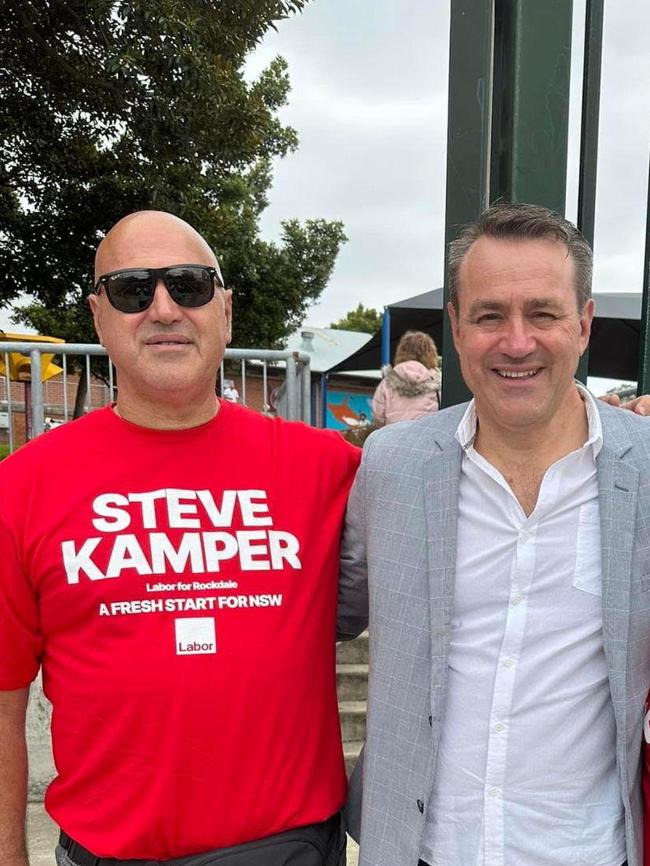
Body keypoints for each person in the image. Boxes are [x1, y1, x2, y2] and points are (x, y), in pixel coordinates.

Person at [0, 211, 360, 866]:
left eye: (189, 285)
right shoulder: (22, 488)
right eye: (133, 290)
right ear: (98, 314)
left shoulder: (329, 468)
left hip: (290, 850)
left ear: (224, 308)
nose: (164, 308)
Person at [338, 202, 650, 866]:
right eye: (488, 316)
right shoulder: (389, 467)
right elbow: (329, 614)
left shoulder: (647, 470)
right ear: (454, 327)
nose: (516, 341)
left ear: (584, 324)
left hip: (592, 850)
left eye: (543, 313)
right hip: (418, 848)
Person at [371, 330, 441, 425]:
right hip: (426, 436)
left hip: (393, 436)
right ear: (431, 352)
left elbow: (378, 417)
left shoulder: (387, 382)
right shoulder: (435, 381)